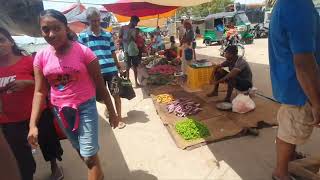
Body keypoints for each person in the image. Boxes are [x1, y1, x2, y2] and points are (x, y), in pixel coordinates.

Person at [27, 9, 119, 180]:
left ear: (66, 28)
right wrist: (33, 125)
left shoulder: (84, 52)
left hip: (85, 107)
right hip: (60, 111)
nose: (51, 34)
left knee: (89, 155)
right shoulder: (40, 57)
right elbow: (40, 92)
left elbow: (100, 87)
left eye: (57, 28)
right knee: (82, 152)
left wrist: (113, 112)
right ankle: (100, 175)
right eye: (46, 29)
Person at [0, 27, 64, 180]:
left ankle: (54, 166)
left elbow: (47, 85)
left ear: (10, 41)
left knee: (48, 144)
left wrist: (27, 83)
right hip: (9, 120)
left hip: (38, 114)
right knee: (21, 157)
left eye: (1, 40)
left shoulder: (29, 61)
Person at [269, 1, 320, 180]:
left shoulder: (288, 4)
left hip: (293, 83)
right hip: (299, 87)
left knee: (289, 127)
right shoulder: (297, 4)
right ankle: (281, 173)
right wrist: (317, 101)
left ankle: (289, 158)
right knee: (290, 130)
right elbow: (304, 61)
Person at [78, 7, 126, 129]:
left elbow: (112, 52)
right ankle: (108, 106)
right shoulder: (83, 37)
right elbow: (81, 57)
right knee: (100, 97)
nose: (96, 23)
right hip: (95, 74)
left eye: (98, 20)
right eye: (93, 21)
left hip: (111, 71)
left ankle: (118, 117)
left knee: (116, 94)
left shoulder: (107, 34)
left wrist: (119, 66)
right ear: (88, 20)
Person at [119, 16, 141, 87]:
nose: (136, 24)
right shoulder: (123, 28)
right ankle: (128, 83)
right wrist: (124, 40)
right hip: (126, 50)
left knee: (135, 66)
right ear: (132, 21)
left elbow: (135, 39)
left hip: (133, 50)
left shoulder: (135, 30)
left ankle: (136, 83)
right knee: (127, 67)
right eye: (136, 22)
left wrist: (135, 36)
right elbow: (119, 38)